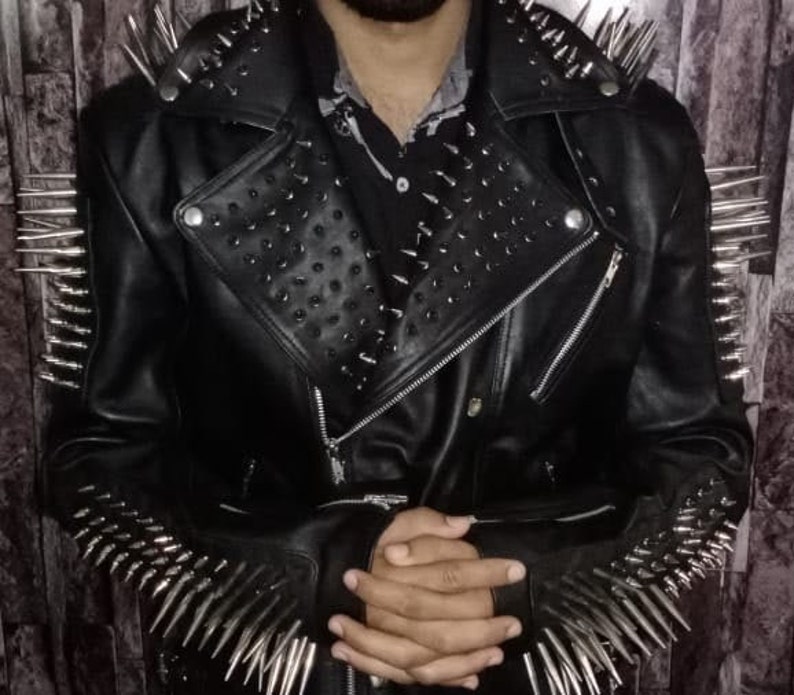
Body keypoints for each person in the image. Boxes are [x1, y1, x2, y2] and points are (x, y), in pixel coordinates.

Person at [34, 0, 756, 693]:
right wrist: (324, 568)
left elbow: (701, 458)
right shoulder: (149, 140)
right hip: (272, 669)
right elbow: (97, 459)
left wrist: (515, 575)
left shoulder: (634, 144)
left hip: (523, 669)